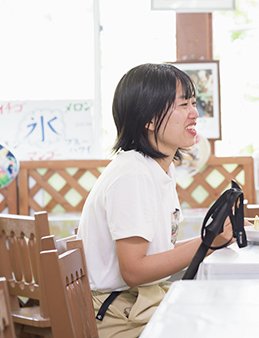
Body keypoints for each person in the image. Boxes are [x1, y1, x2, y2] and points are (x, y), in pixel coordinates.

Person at [78, 63, 236, 338]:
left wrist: (213, 238)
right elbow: (134, 270)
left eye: (193, 103)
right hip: (118, 313)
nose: (194, 113)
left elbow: (158, 254)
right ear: (149, 120)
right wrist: (209, 242)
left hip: (136, 302)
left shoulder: (155, 167)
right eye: (183, 104)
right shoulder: (132, 174)